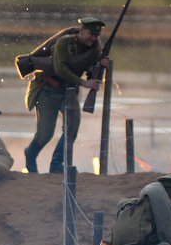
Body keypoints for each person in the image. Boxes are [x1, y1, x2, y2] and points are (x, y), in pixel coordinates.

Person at [22, 16, 108, 174]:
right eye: (90, 34)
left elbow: (91, 75)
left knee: (72, 128)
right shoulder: (64, 42)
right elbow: (60, 68)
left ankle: (56, 164)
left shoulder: (92, 50)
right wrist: (85, 83)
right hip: (48, 90)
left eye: (96, 36)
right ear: (82, 31)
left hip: (69, 92)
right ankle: (30, 154)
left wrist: (100, 67)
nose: (93, 38)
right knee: (45, 134)